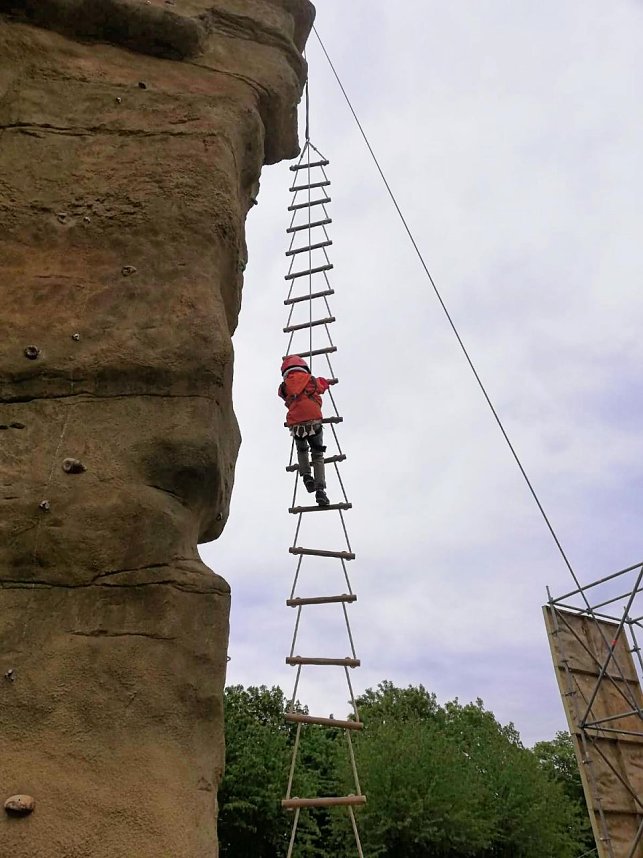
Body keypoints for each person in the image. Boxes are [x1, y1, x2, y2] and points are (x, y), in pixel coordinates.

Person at [279, 355, 331, 506]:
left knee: (302, 450)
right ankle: (320, 490)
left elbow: (282, 395)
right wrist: (327, 383)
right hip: (313, 421)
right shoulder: (312, 380)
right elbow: (321, 385)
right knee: (317, 454)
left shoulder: (284, 386)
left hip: (296, 424)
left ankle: (306, 476)